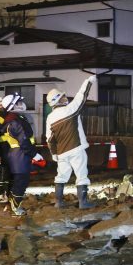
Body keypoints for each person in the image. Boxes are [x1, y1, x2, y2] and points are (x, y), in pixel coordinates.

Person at [45, 75, 97, 209]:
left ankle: (59, 202)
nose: (65, 98)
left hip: (62, 153)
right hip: (76, 149)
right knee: (81, 175)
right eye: (62, 97)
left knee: (61, 176)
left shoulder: (50, 118)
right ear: (58, 100)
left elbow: (50, 139)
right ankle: (83, 202)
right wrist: (89, 81)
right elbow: (82, 95)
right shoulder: (71, 109)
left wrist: (54, 154)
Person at [0, 93, 39, 216]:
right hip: (20, 156)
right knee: (21, 182)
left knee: (16, 181)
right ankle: (16, 208)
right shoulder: (16, 121)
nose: (21, 104)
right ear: (11, 106)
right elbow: (24, 141)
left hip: (17, 155)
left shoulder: (13, 119)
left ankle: (11, 206)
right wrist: (34, 155)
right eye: (17, 103)